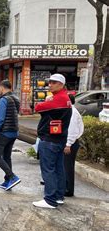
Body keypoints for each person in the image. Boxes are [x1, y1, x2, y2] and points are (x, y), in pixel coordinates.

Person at [32, 74, 72, 209]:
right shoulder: (65, 98)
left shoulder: (58, 99)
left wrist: (48, 99)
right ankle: (59, 196)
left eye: (54, 82)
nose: (50, 85)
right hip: (59, 139)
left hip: (49, 139)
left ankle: (49, 199)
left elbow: (37, 108)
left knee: (48, 169)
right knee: (59, 168)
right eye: (50, 82)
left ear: (61, 84)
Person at [0, 80, 21, 190]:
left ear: (2, 88)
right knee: (7, 157)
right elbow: (12, 112)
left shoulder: (3, 99)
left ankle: (12, 177)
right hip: (14, 132)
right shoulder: (15, 98)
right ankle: (8, 181)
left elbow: (1, 118)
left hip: (4, 132)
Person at [64, 94, 84, 197]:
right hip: (72, 142)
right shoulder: (72, 111)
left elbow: (71, 130)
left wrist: (68, 144)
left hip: (70, 143)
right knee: (67, 166)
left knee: (68, 167)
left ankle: (68, 190)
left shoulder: (71, 113)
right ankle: (66, 187)